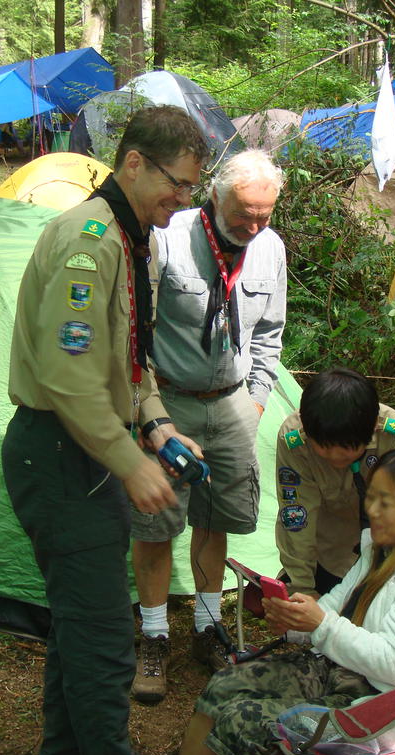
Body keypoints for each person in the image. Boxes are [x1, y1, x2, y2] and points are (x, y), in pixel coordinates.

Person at [0, 105, 209, 755]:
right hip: (62, 453)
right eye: (176, 183)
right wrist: (129, 462)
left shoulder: (129, 236)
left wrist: (157, 423)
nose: (183, 199)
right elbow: (68, 377)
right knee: (105, 638)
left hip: (82, 452)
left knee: (80, 628)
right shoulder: (89, 241)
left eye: (192, 187)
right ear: (135, 163)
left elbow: (126, 359)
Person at [177, 447, 395, 755]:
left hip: (385, 706)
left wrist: (320, 624)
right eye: (371, 497)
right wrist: (295, 622)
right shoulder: (381, 548)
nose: (371, 510)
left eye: (385, 503)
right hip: (341, 669)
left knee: (244, 721)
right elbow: (335, 606)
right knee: (224, 685)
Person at [130, 149, 287, 703]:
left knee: (216, 518)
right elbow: (137, 332)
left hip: (233, 403)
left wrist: (257, 402)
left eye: (264, 215)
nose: (253, 226)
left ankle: (206, 627)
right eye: (244, 213)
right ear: (215, 196)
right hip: (169, 403)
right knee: (155, 523)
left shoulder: (270, 248)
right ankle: (153, 636)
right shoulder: (168, 238)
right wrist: (148, 413)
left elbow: (269, 333)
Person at [275, 367, 395, 598]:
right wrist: (302, 587)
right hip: (329, 551)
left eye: (346, 449)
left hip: (383, 549)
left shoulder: (394, 436)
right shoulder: (295, 441)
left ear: (371, 429)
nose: (334, 457)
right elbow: (297, 517)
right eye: (323, 447)